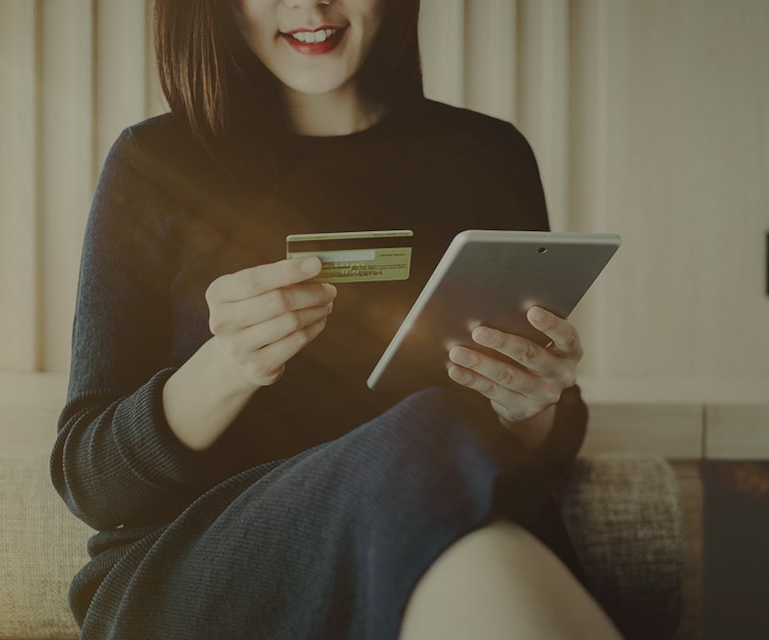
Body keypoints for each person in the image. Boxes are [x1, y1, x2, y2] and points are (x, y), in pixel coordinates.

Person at [50, 0, 623, 638]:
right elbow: (91, 483)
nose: (310, 6)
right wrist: (227, 367)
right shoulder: (154, 161)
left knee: (435, 450)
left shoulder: (490, 154)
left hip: (447, 524)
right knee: (426, 430)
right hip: (209, 560)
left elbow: (544, 444)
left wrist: (533, 402)